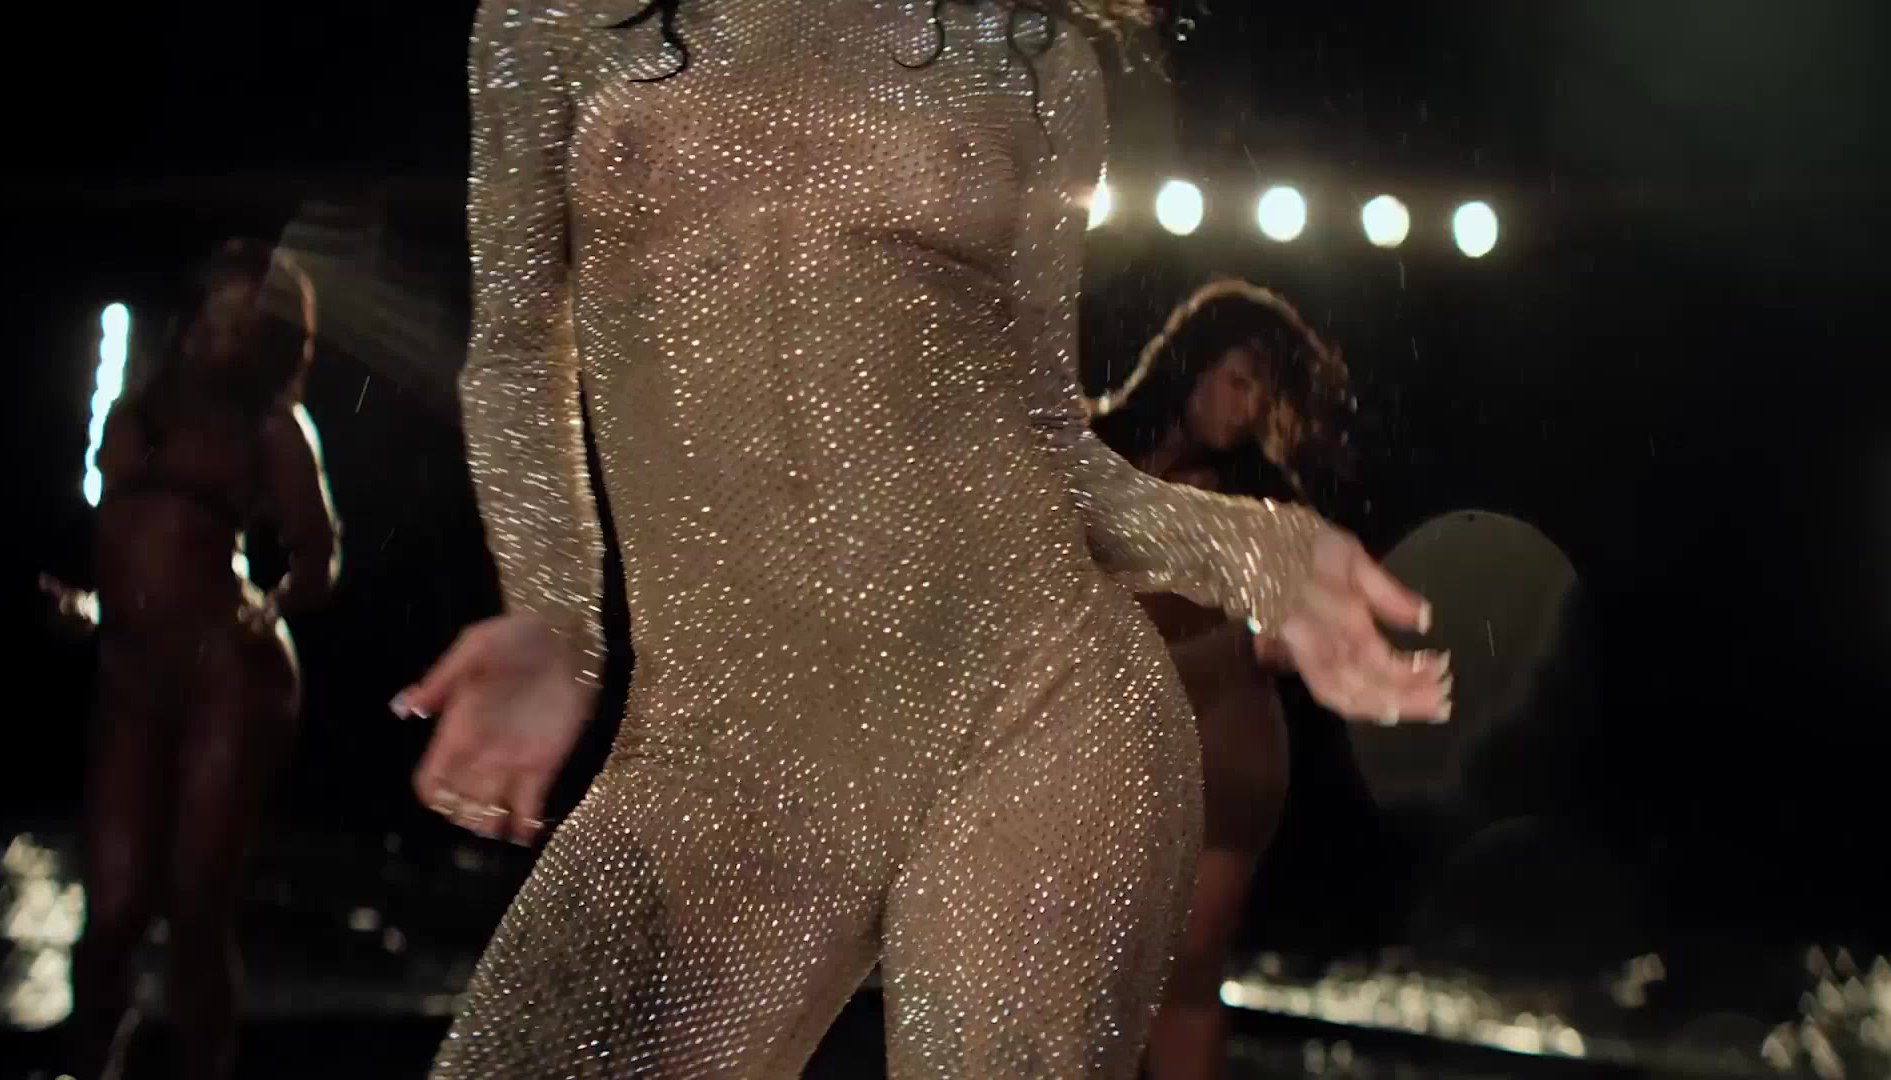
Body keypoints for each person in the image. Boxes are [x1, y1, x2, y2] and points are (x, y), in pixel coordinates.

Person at [394, 4, 1449, 1076]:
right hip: (718, 750)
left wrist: (1261, 553)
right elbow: (515, 349)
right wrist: (551, 609)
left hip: (1035, 706)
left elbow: (1050, 443)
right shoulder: (552, 17)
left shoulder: (1030, 51)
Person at [1092, 281, 1426, 1080]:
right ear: (1191, 364)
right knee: (1091, 973)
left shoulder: (1263, 497)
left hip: (1222, 737)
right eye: (1239, 381)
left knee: (1187, 971)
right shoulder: (1096, 450)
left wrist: (1284, 628)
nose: (1247, 410)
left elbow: (1291, 622)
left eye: (1263, 396)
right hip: (1104, 739)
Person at [42, 239, 339, 1080]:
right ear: (193, 308)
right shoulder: (134, 401)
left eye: (246, 320)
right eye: (219, 307)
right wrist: (89, 608)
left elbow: (319, 555)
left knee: (195, 906)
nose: (224, 329)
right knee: (112, 909)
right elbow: (131, 549)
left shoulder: (270, 423)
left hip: (228, 681)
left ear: (270, 338)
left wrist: (273, 603)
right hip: (129, 676)